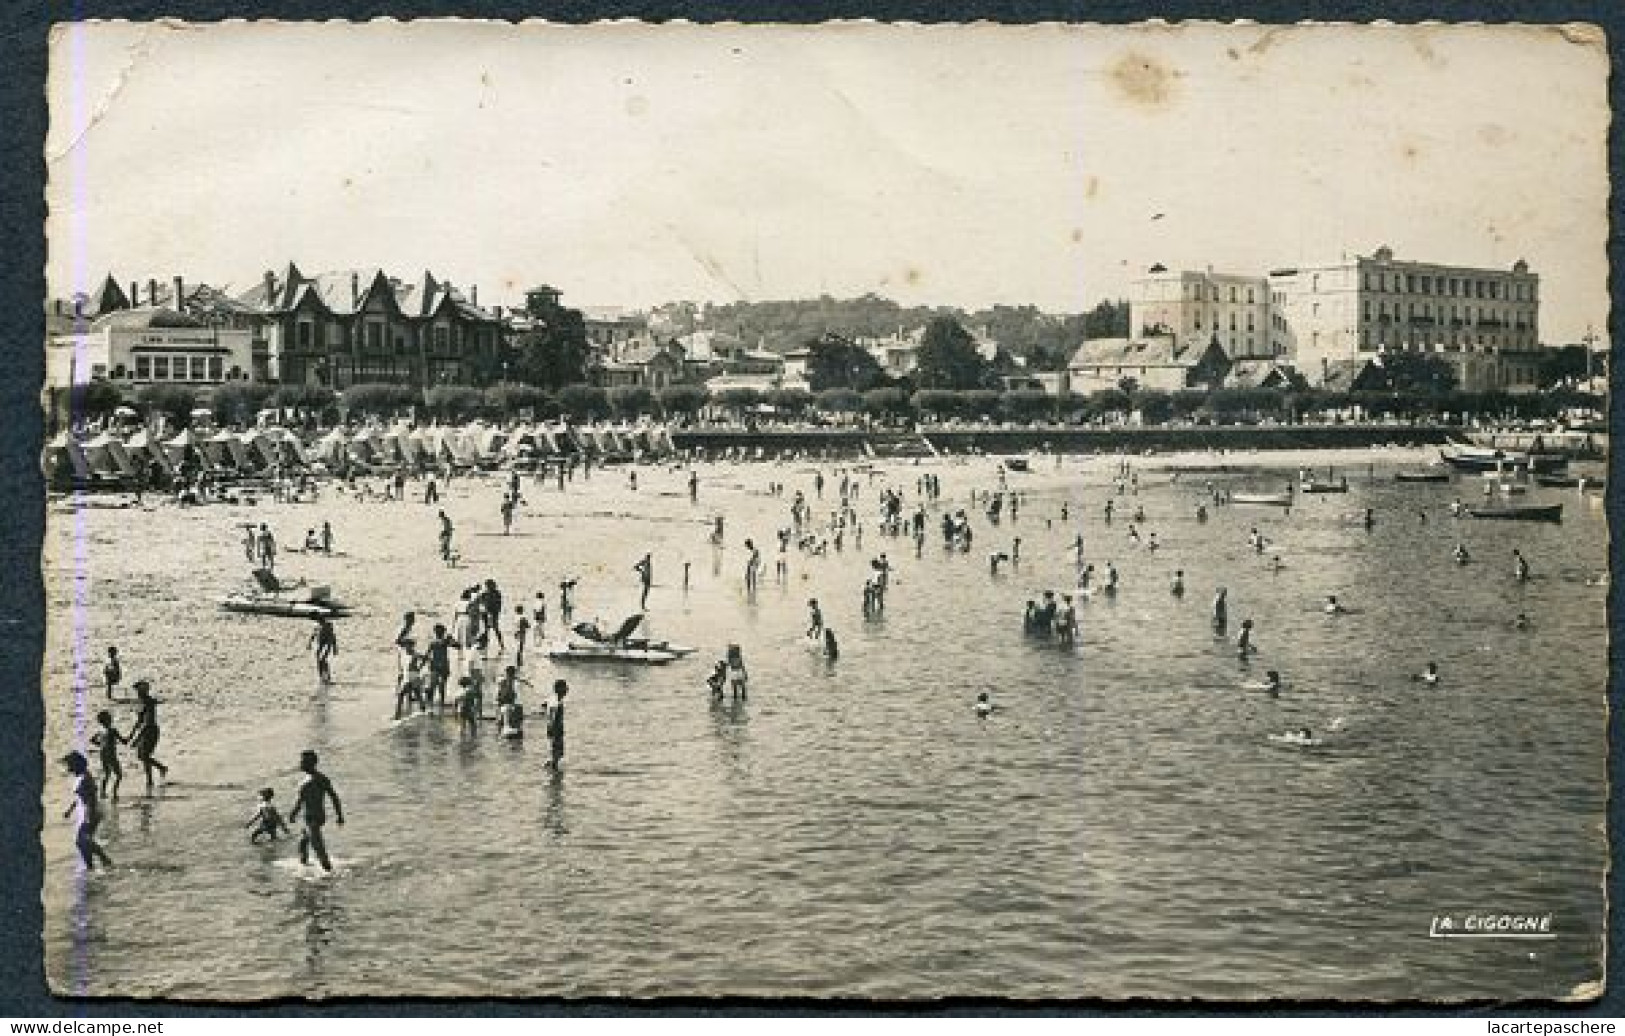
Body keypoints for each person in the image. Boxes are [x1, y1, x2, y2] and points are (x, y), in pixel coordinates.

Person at [289, 750, 344, 872]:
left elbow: (333, 796)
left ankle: (328, 873)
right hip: (310, 817)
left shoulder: (317, 779)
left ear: (311, 763)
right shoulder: (311, 779)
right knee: (303, 842)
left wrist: (339, 815)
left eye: (303, 762)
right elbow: (301, 800)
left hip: (314, 818)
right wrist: (294, 813)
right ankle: (304, 866)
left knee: (318, 847)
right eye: (301, 761)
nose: (300, 764)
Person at [60, 752, 112, 870]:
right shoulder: (80, 777)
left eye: (69, 764)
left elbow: (90, 797)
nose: (68, 767)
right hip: (87, 812)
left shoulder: (85, 778)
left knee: (82, 841)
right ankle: (92, 865)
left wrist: (89, 814)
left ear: (76, 764)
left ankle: (103, 859)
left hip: (92, 812)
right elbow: (80, 797)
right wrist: (70, 810)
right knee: (83, 842)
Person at [128, 680, 169, 791]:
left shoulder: (148, 702)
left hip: (150, 730)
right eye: (137, 690)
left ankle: (159, 771)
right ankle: (151, 779)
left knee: (143, 756)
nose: (137, 692)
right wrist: (131, 735)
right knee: (143, 756)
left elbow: (147, 722)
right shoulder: (142, 702)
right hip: (147, 730)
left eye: (139, 690)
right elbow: (139, 721)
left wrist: (136, 738)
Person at [91, 709, 126, 801]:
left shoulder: (100, 731)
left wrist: (101, 745)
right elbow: (124, 741)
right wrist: (133, 732)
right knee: (119, 775)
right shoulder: (113, 730)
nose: (111, 719)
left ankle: (102, 792)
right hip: (111, 754)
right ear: (108, 720)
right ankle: (114, 792)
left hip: (103, 753)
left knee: (106, 774)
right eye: (109, 718)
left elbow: (92, 740)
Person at [546, 680, 568, 769]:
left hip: (552, 730)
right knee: (557, 755)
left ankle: (552, 775)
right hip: (556, 731)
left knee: (555, 754)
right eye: (565, 688)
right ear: (559, 689)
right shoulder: (558, 703)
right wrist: (556, 732)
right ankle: (555, 778)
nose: (567, 690)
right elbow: (555, 719)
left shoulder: (552, 700)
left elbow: (550, 717)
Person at [308, 616, 338, 683]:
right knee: (319, 660)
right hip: (320, 645)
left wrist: (335, 647)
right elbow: (313, 635)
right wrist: (310, 643)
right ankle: (322, 677)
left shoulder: (328, 625)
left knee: (323, 659)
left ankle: (327, 677)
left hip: (327, 644)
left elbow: (333, 636)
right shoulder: (317, 626)